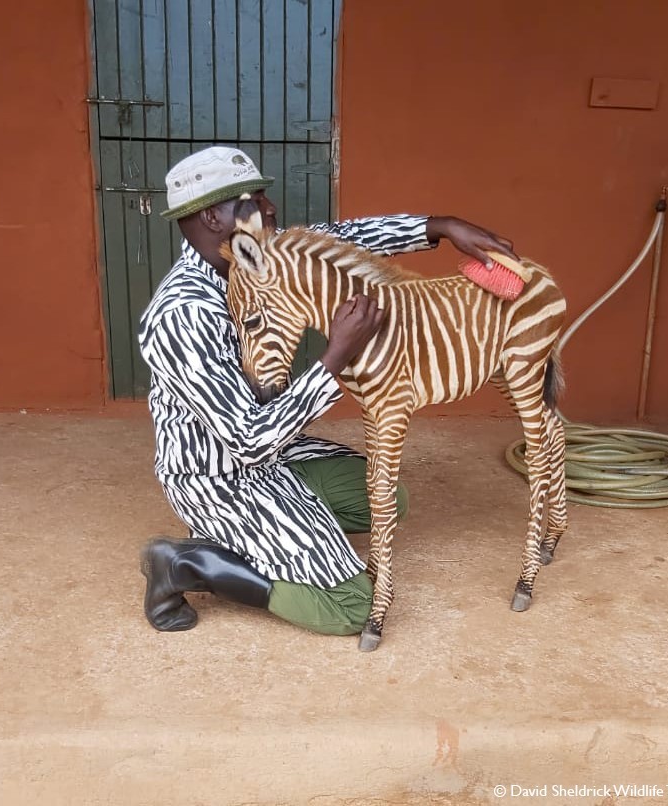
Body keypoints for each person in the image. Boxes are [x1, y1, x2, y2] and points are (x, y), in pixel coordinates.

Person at [138, 146, 515, 637]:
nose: (269, 208)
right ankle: (185, 565)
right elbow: (248, 438)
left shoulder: (262, 257)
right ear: (212, 216)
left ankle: (252, 535)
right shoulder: (182, 313)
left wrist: (440, 227)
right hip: (218, 472)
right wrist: (334, 357)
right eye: (252, 200)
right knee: (351, 606)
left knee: (385, 499)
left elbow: (343, 239)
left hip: (277, 456)